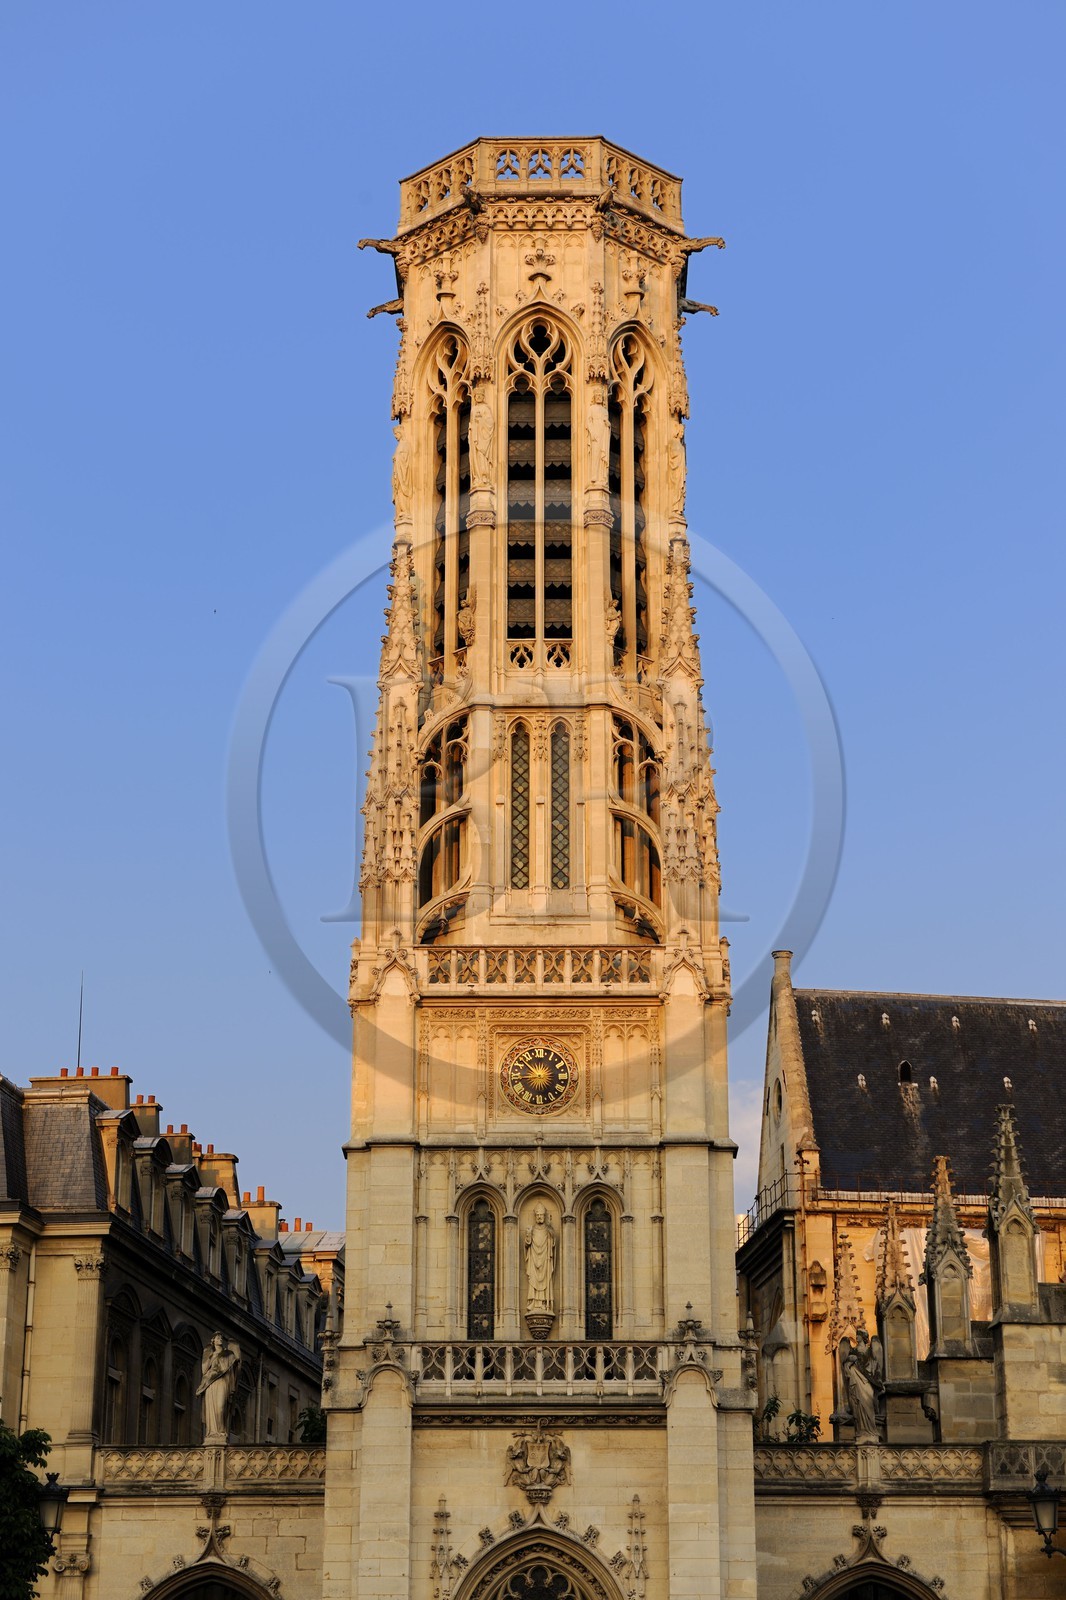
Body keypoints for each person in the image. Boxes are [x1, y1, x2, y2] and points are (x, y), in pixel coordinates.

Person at [197, 1333, 241, 1443]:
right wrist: (210, 1357)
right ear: (213, 1341)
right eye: (217, 1337)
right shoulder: (211, 1354)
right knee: (211, 1408)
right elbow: (204, 1370)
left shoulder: (229, 1354)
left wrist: (236, 1361)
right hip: (210, 1383)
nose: (220, 1339)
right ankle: (212, 1432)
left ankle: (221, 1431)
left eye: (221, 1337)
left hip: (223, 1382)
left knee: (221, 1407)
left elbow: (234, 1369)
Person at [524, 1204, 556, 1314]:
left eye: (541, 1215)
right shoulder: (532, 1229)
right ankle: (534, 1303)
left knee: (545, 1280)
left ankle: (543, 1303)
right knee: (533, 1280)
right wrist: (528, 1235)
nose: (539, 1217)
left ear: (544, 1216)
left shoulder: (548, 1230)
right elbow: (527, 1244)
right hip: (534, 1259)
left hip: (545, 1260)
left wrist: (551, 1233)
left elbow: (552, 1244)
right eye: (537, 1215)